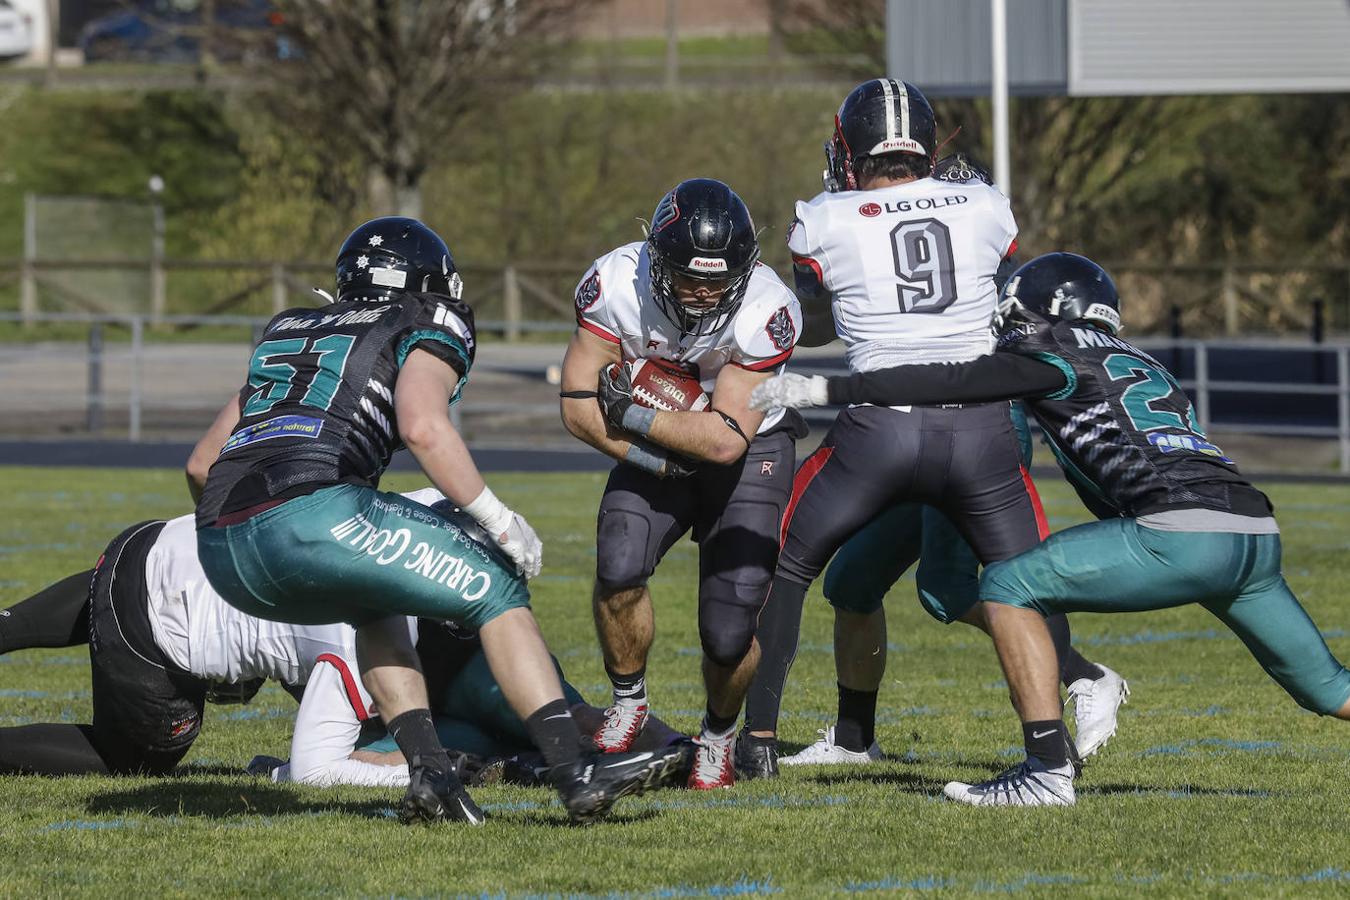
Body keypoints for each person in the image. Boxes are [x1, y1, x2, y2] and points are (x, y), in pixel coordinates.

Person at [750, 251, 1350, 806]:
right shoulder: (1139, 360)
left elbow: (945, 384)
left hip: (1181, 533)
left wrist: (830, 386)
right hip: (1254, 532)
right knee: (1327, 689)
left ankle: (1044, 772)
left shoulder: (1052, 357)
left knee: (1008, 587)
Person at [189, 217, 685, 825]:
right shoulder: (425, 317)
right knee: (497, 587)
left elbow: (200, 465)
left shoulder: (288, 328)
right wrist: (496, 518)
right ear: (430, 283)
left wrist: (253, 536)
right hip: (313, 510)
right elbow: (423, 425)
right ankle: (573, 772)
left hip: (218, 541)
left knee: (376, 606)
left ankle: (430, 775)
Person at [738, 80, 1077, 778]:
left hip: (879, 430)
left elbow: (825, 319)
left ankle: (757, 744)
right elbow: (999, 290)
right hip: (980, 429)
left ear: (850, 150)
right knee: (1026, 581)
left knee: (786, 563)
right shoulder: (985, 204)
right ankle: (1052, 752)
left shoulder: (823, 218)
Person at [559, 178, 804, 788]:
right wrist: (652, 459)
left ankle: (718, 735)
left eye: (719, 278)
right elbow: (575, 403)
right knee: (617, 565)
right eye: (689, 275)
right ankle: (628, 698)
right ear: (656, 257)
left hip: (750, 448)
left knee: (727, 631)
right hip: (655, 450)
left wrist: (635, 414)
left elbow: (724, 439)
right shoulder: (618, 281)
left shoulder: (767, 309)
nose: (703, 290)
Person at [772, 399, 1128, 771]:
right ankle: (853, 739)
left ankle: (1079, 685)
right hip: (907, 430)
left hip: (973, 428)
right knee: (852, 581)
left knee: (948, 589)